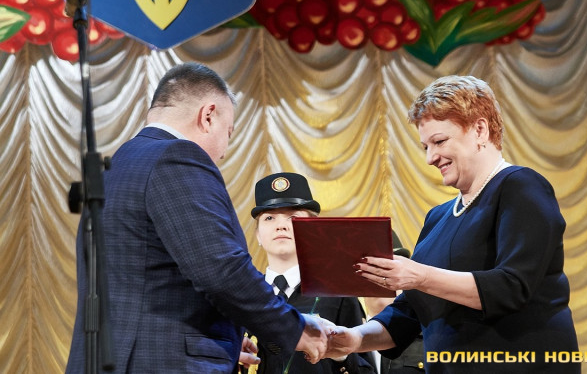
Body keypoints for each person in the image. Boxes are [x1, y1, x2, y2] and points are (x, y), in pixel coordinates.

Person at [66, 62, 328, 373]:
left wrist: (226, 341)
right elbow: (221, 269)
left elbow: (147, 282)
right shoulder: (177, 157)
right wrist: (297, 329)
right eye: (228, 133)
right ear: (208, 116)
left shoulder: (116, 168)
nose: (224, 152)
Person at [325, 75, 580, 373]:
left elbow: (511, 287)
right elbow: (409, 313)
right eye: (425, 146)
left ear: (480, 130)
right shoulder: (437, 217)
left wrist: (419, 276)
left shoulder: (520, 186)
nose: (430, 158)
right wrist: (354, 339)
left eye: (439, 141)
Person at [241, 172, 377, 374]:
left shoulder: (337, 294)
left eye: (293, 218)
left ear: (313, 229)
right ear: (258, 235)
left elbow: (366, 369)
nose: (281, 226)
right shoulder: (241, 296)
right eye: (269, 218)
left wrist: (341, 355)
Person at [362, 232, 424, 374]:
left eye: (389, 269)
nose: (381, 277)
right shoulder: (347, 334)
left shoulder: (426, 337)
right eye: (372, 269)